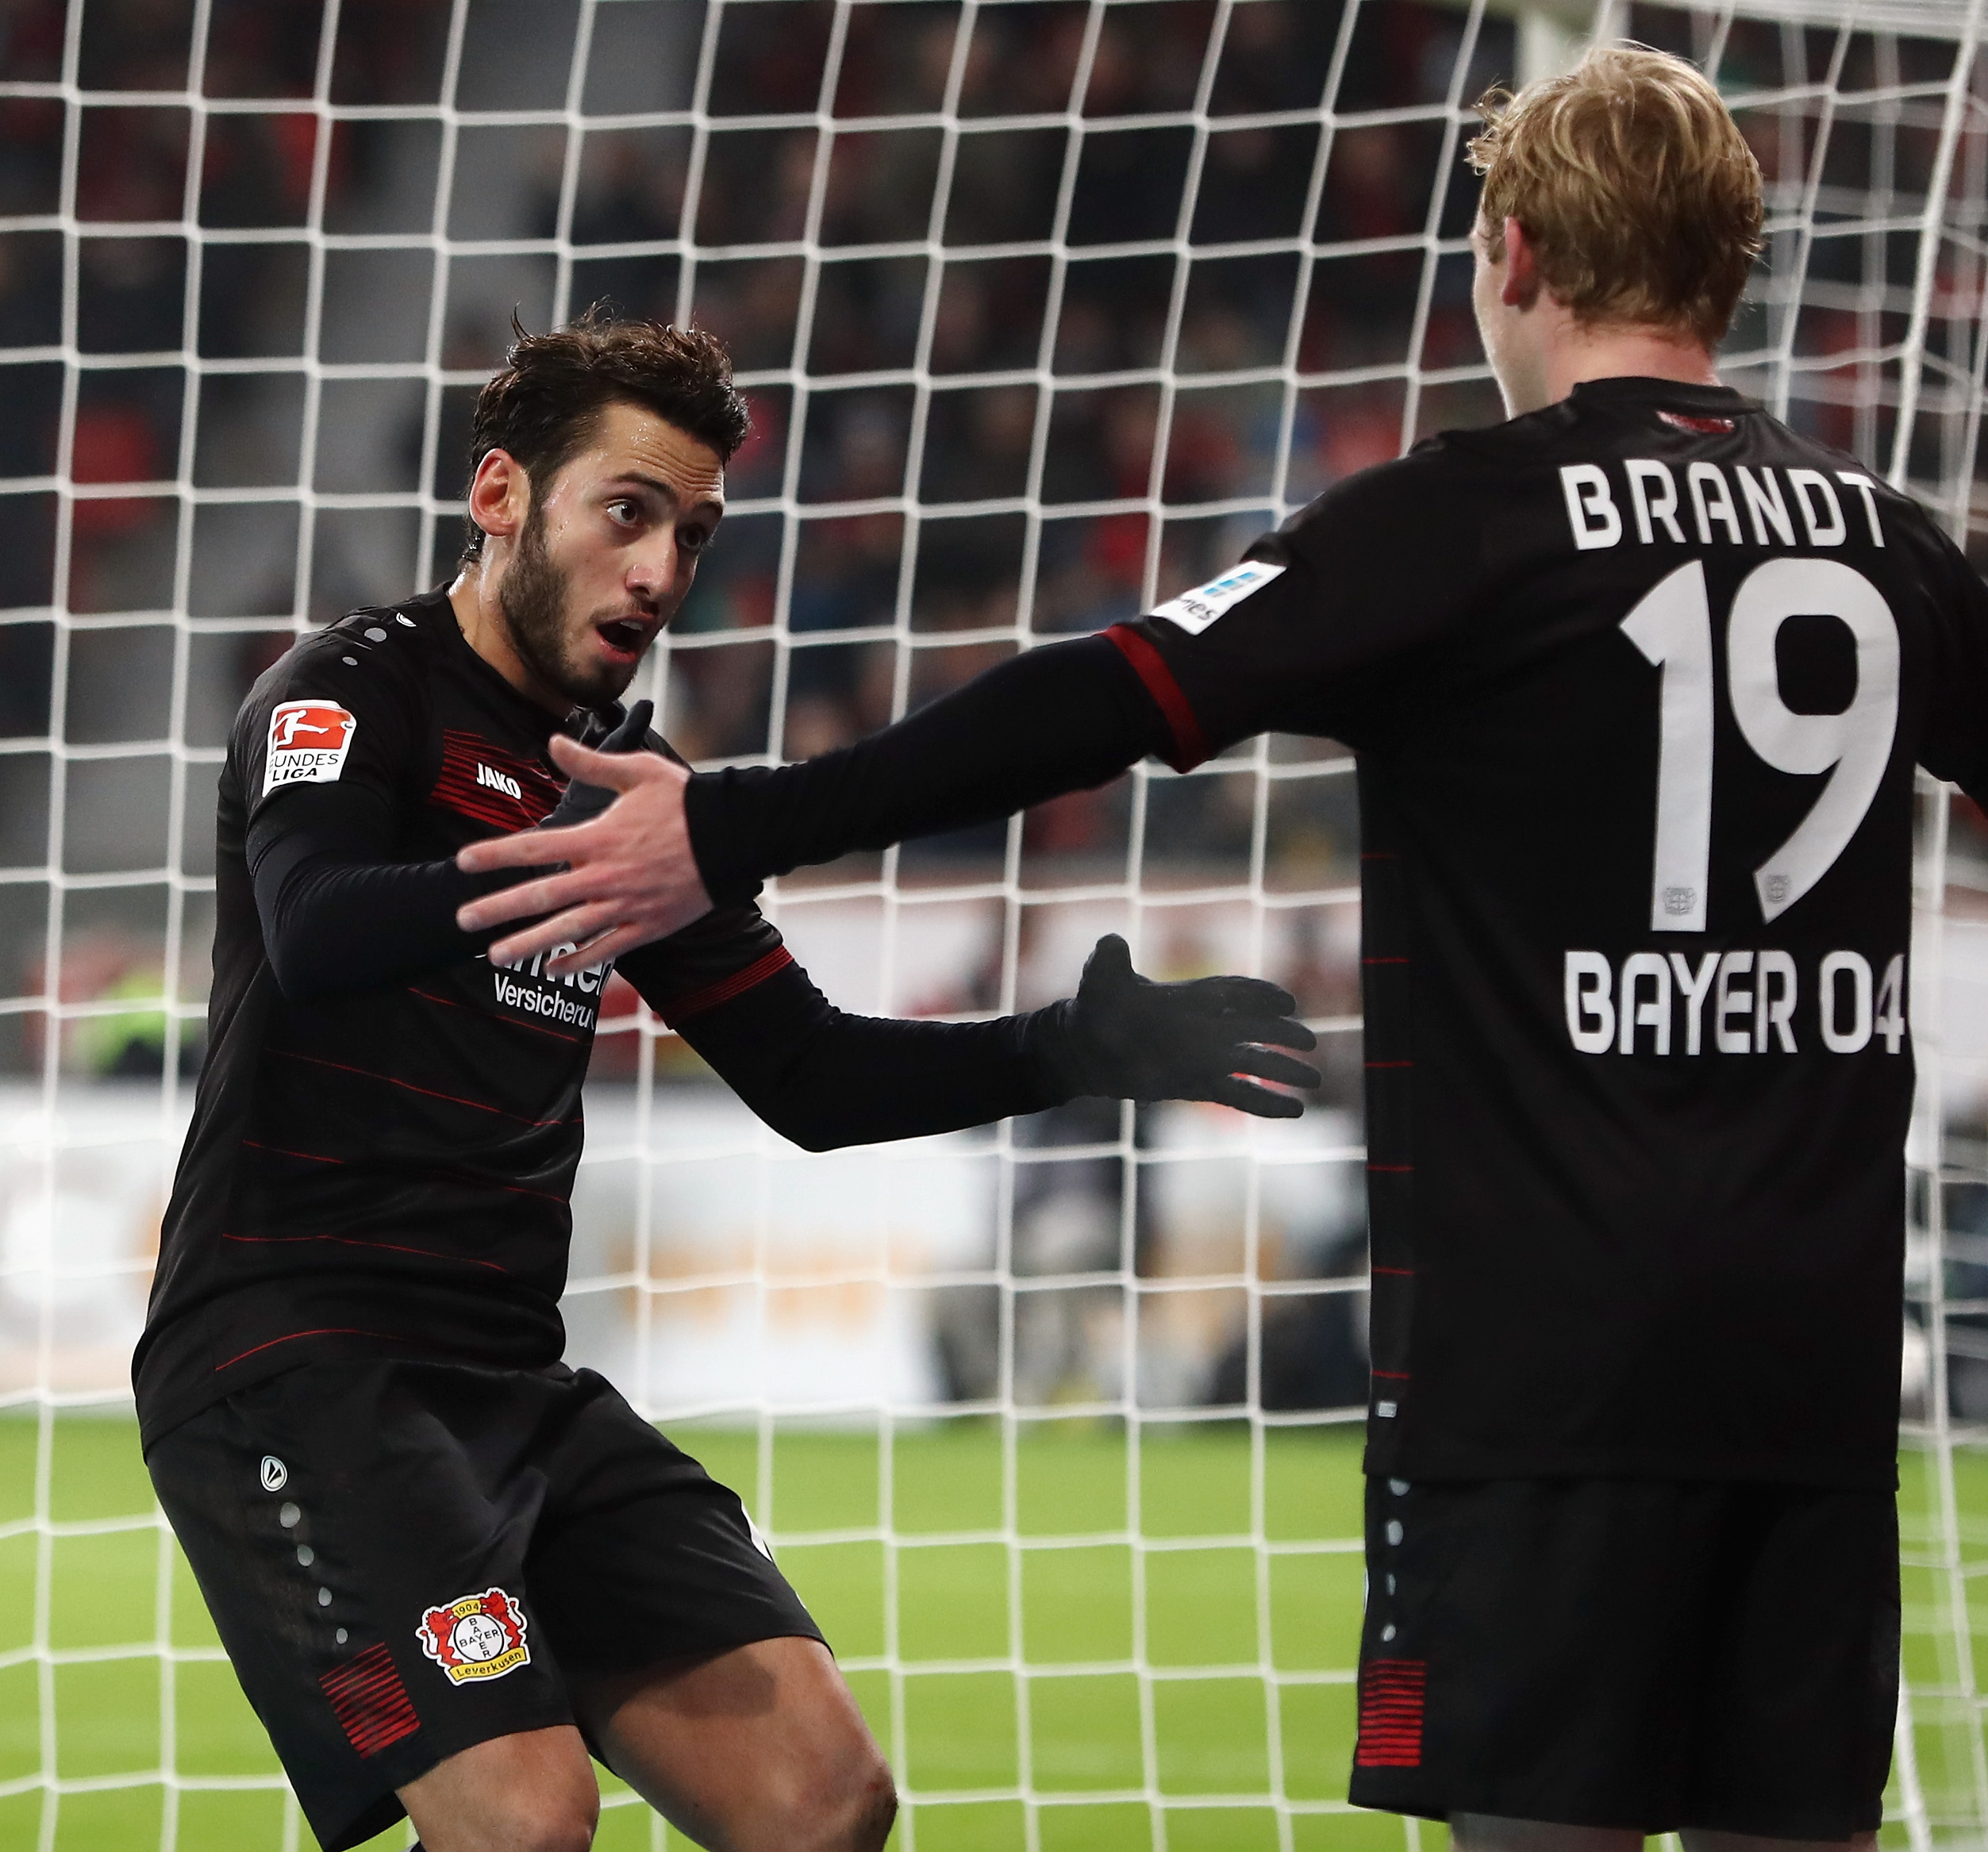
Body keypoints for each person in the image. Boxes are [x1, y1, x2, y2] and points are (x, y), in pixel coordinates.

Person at [449, 50, 1988, 1852]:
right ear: (1727, 269)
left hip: (1540, 1370)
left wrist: (729, 818)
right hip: (1813, 1361)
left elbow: (1101, 696)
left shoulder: (1458, 522)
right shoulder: (1879, 537)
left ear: (1510, 253)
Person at [134, 315, 1318, 1852]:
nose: (659, 573)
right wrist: (578, 862)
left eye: (691, 535)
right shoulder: (356, 692)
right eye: (625, 514)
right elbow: (311, 926)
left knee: (824, 1798)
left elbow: (809, 1073)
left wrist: (1067, 1051)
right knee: (520, 1821)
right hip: (290, 1361)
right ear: (500, 495)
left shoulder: (626, 785)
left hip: (509, 1383)